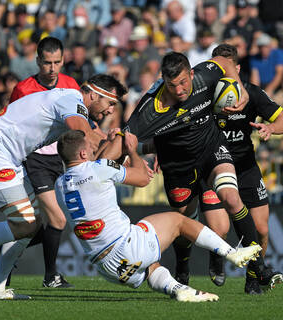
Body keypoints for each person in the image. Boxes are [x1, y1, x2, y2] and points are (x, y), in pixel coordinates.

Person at [105, 51, 283, 292]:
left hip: (211, 150)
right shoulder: (150, 109)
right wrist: (96, 166)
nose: (179, 90)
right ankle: (183, 267)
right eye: (171, 85)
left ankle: (257, 266)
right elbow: (125, 138)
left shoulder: (203, 77)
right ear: (163, 82)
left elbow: (223, 61)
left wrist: (239, 89)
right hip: (177, 164)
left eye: (182, 83)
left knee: (232, 199)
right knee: (184, 220)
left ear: (191, 73)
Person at [0, 73, 127, 300]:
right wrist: (118, 149)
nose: (111, 111)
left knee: (30, 224)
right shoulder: (72, 101)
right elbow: (83, 137)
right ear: (92, 94)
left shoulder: (73, 104)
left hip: (4, 156)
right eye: (110, 103)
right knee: (26, 225)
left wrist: (126, 145)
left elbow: (97, 137)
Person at [54, 129, 261, 302]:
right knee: (179, 221)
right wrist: (133, 152)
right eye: (90, 148)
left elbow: (92, 171)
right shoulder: (98, 168)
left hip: (106, 267)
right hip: (125, 245)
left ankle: (179, 290)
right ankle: (232, 253)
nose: (93, 151)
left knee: (151, 265)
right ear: (82, 154)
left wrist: (109, 145)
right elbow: (144, 178)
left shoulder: (59, 185)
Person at [197, 43, 283, 294]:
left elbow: (280, 119)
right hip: (212, 167)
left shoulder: (252, 94)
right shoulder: (202, 96)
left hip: (245, 167)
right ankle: (217, 255)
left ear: (236, 68)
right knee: (219, 229)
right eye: (215, 68)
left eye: (225, 68)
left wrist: (270, 129)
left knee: (262, 230)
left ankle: (253, 278)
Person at [9, 36, 80, 288]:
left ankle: (6, 252)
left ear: (63, 60)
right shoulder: (23, 88)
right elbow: (12, 125)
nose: (52, 69)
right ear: (38, 61)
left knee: (43, 224)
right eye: (47, 63)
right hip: (33, 159)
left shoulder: (71, 85)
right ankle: (50, 277)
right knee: (57, 220)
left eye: (57, 62)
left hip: (60, 159)